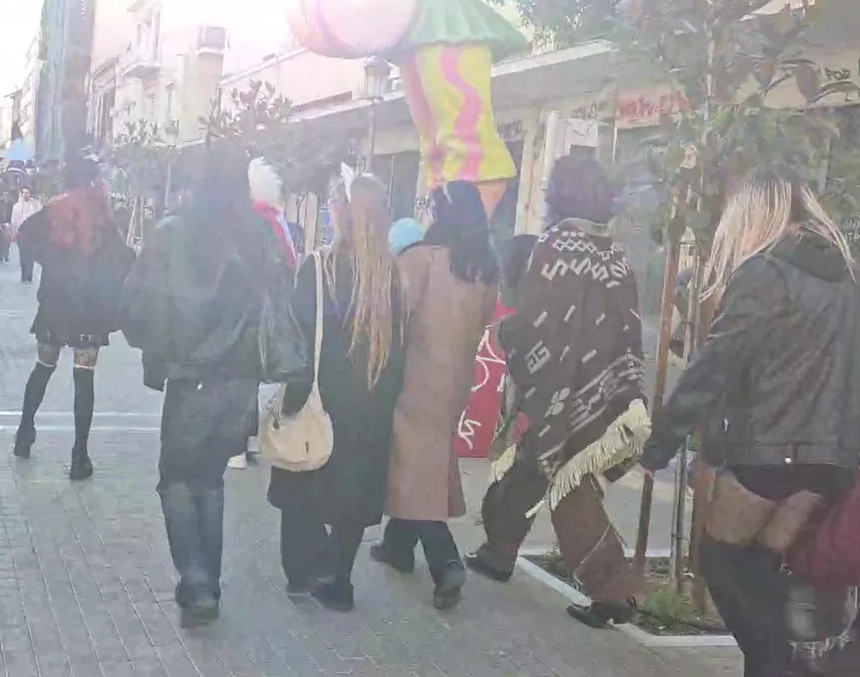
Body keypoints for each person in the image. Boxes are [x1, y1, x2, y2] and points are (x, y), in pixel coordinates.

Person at [640, 173, 860, 675]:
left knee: (720, 559)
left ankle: (782, 667)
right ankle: (777, 665)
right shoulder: (854, 279)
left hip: (769, 451)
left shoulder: (765, 272)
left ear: (754, 213)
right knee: (761, 568)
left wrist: (661, 442)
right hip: (831, 460)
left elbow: (715, 364)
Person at [465, 153, 648, 628]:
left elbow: (537, 322)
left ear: (558, 193)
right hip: (608, 388)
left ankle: (613, 591)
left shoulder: (555, 246)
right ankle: (499, 551)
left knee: (566, 485)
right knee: (533, 468)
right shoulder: (614, 252)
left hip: (563, 390)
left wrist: (507, 336)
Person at [121, 150, 290, 627]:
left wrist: (159, 345)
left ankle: (196, 580)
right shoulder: (258, 236)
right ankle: (207, 580)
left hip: (191, 378)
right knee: (210, 480)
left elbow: (135, 302)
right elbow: (280, 299)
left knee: (176, 480)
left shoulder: (175, 233)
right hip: (239, 380)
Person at [267, 170, 406, 613]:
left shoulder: (319, 268)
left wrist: (289, 397)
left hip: (319, 400)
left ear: (342, 212)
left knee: (301, 482)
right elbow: (400, 351)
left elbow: (296, 336)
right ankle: (339, 579)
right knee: (352, 497)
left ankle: (303, 573)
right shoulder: (391, 276)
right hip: (371, 407)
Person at [369, 181, 498, 610]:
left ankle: (446, 562)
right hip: (456, 381)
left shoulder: (421, 258)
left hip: (416, 377)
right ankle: (397, 546)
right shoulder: (484, 270)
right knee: (423, 463)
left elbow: (393, 316)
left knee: (413, 463)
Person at [13, 154, 134, 481]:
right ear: (93, 180)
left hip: (56, 302)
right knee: (84, 377)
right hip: (88, 308)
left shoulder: (53, 211)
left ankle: (24, 431)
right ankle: (80, 455)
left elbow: (24, 234)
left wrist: (49, 263)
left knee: (43, 366)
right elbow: (124, 258)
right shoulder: (101, 215)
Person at [229, 158, 299, 470]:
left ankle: (236, 445)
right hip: (263, 310)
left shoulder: (237, 221)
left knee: (240, 378)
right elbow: (289, 263)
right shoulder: (273, 221)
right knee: (249, 378)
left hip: (239, 311)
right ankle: (241, 443)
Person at [12, 188, 42, 283]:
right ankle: (24, 274)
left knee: (31, 255)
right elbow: (14, 221)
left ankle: (29, 275)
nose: (26, 195)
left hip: (33, 234)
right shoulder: (16, 206)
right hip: (21, 233)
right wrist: (14, 232)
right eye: (25, 193)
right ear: (21, 194)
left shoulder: (34, 205)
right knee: (23, 255)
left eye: (28, 193)